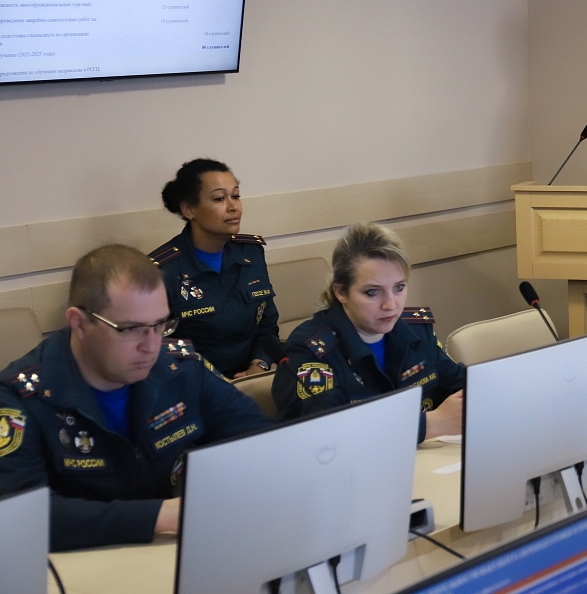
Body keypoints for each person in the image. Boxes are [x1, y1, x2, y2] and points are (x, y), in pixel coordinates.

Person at [0, 245, 272, 551]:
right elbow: (20, 518)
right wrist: (160, 515)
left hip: (176, 549)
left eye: (161, 324)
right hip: (79, 561)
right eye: (131, 329)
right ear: (79, 323)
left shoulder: (181, 368)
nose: (151, 346)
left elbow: (262, 442)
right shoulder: (19, 398)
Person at [272, 223, 463, 442]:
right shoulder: (309, 349)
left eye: (399, 288)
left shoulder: (416, 329)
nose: (390, 305)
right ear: (341, 292)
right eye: (373, 292)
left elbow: (457, 383)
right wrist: (429, 424)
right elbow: (326, 433)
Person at [151, 159, 282, 379]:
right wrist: (215, 382)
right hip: (195, 383)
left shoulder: (251, 253)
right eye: (220, 199)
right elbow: (159, 345)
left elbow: (267, 324)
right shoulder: (162, 270)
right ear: (189, 209)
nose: (233, 207)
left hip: (252, 377)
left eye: (236, 196)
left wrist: (258, 366)